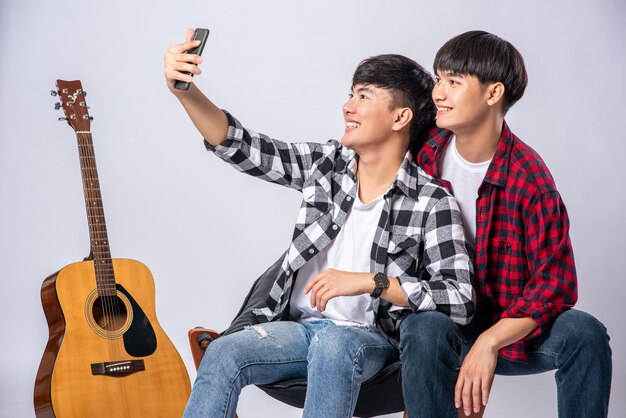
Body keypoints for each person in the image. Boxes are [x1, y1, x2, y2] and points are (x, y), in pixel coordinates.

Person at [164, 29, 475, 418]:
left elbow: (460, 300)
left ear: (401, 116)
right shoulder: (326, 166)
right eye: (351, 93)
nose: (348, 106)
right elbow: (242, 146)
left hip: (373, 341)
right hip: (298, 330)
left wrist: (370, 282)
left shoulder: (431, 200)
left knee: (335, 346)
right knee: (225, 351)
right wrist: (186, 92)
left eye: (364, 95)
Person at [400, 30, 612, 418]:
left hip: (509, 325)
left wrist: (490, 341)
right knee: (423, 328)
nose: (438, 93)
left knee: (586, 334)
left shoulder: (530, 180)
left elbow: (556, 283)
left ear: (493, 94)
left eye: (453, 82)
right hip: (444, 319)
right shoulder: (426, 151)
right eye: (438, 79)